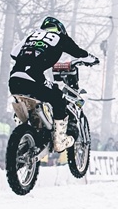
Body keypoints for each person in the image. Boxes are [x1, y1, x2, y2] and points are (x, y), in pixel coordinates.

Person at [8, 16, 98, 152]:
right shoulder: (60, 38)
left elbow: (13, 53)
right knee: (59, 98)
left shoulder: (32, 35)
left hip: (15, 79)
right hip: (34, 79)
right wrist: (92, 59)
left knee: (28, 99)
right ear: (60, 29)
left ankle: (27, 130)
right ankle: (59, 141)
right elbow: (79, 53)